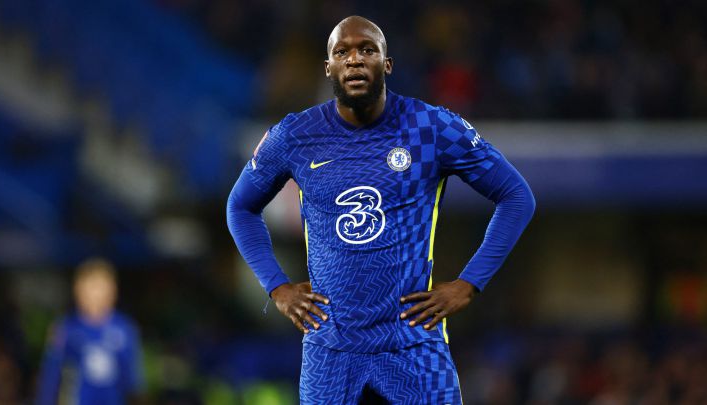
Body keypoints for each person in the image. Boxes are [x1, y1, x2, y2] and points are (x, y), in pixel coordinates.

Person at [227, 15, 535, 404]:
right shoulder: (295, 135)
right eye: (342, 52)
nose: (355, 60)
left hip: (413, 345)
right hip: (330, 351)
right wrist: (277, 287)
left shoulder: (431, 127)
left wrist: (468, 284)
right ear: (329, 68)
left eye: (367, 50)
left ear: (387, 64)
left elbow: (516, 196)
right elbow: (240, 207)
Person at [36, 258, 143, 405]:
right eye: (90, 288)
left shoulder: (124, 329)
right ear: (78, 290)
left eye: (101, 287)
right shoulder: (67, 328)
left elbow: (133, 381)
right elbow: (51, 377)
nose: (96, 295)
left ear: (113, 291)